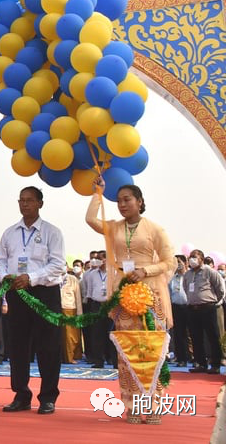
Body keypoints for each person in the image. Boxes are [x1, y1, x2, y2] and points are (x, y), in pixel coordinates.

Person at [87, 181, 177, 424]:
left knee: (152, 351)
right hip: (123, 298)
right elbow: (90, 219)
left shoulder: (155, 229)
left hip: (150, 297)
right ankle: (133, 404)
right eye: (118, 200)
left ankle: (155, 405)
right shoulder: (114, 227)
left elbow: (170, 262)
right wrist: (98, 194)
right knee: (127, 352)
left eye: (127, 199)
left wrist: (145, 270)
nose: (122, 204)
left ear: (140, 201)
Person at [0, 186, 66, 415]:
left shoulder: (52, 232)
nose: (25, 204)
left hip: (45, 293)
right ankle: (21, 394)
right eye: (21, 200)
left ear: (40, 204)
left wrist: (31, 278)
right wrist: (4, 275)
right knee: (17, 345)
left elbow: (57, 265)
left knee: (48, 346)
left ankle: (48, 397)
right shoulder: (9, 233)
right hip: (17, 293)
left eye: (30, 200)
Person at [183, 248, 224, 375]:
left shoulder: (210, 272)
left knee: (213, 337)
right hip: (192, 309)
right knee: (196, 337)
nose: (192, 259)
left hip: (208, 308)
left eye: (194, 257)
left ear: (201, 258)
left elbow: (220, 289)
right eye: (191, 257)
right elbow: (185, 288)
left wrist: (212, 301)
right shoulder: (188, 274)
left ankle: (215, 365)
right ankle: (201, 363)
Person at [82, 250, 114, 368]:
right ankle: (98, 361)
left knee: (111, 333)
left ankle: (111, 358)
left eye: (100, 258)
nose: (97, 261)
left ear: (106, 260)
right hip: (96, 304)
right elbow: (89, 291)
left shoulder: (113, 273)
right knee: (96, 333)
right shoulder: (92, 274)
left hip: (110, 304)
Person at [168, 255, 190, 367]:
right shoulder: (172, 278)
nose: (177, 264)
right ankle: (182, 358)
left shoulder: (190, 275)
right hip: (176, 307)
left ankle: (197, 359)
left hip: (190, 307)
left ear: (186, 263)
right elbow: (169, 293)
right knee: (179, 334)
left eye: (179, 261)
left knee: (192, 334)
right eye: (175, 262)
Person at [60, 265, 83, 364]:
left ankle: (70, 357)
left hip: (70, 308)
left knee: (70, 335)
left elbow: (77, 296)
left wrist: (79, 313)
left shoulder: (72, 279)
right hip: (56, 308)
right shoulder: (53, 278)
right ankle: (60, 357)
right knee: (58, 334)